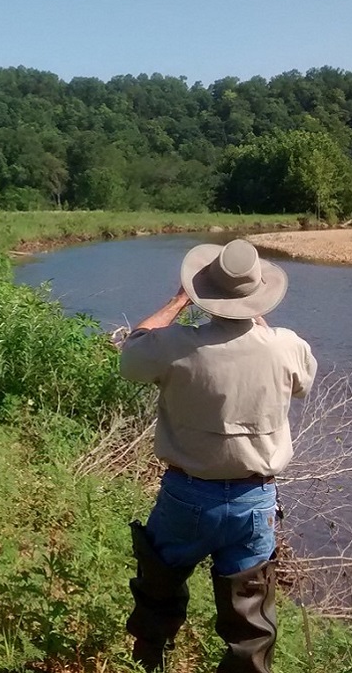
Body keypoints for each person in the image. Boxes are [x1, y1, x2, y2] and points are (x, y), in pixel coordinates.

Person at [118, 239, 317, 673]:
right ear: (257, 293)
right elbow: (302, 383)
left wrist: (178, 300)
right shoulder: (285, 346)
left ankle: (149, 662)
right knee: (251, 630)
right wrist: (250, 309)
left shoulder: (174, 346)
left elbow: (130, 357)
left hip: (185, 496)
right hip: (253, 502)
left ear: (204, 294)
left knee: (157, 595)